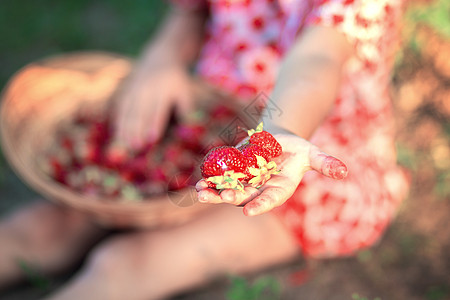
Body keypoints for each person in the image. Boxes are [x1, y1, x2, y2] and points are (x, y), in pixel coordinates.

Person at [0, 0, 409, 299]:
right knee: (41, 229)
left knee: (124, 263)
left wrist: (277, 134)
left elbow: (318, 56)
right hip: (212, 124)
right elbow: (190, 13)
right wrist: (162, 61)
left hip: (299, 158)